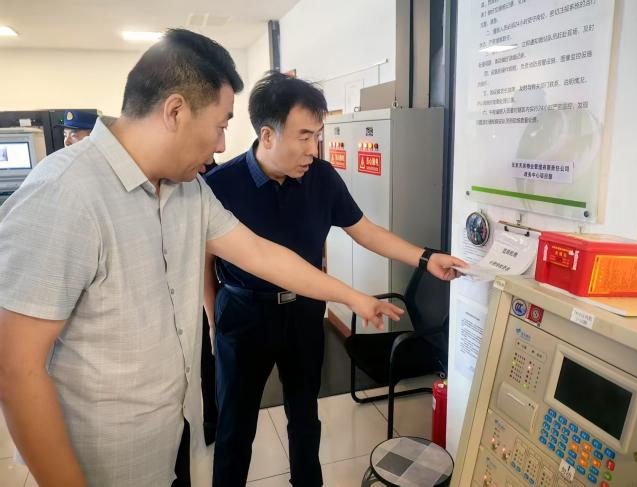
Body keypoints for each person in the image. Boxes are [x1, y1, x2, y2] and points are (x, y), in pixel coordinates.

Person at [0, 30, 402, 487]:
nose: (221, 144)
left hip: (174, 434)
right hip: (106, 460)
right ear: (175, 111)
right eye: (220, 125)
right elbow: (16, 370)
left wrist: (352, 297)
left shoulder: (188, 191)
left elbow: (261, 254)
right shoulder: (65, 194)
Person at [204, 71, 467, 487]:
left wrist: (425, 257)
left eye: (318, 135)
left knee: (305, 415)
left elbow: (366, 232)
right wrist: (213, 318)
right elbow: (205, 259)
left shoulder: (321, 177)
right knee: (235, 425)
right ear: (267, 135)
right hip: (242, 313)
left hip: (305, 313)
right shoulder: (220, 185)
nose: (314, 149)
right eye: (304, 136)